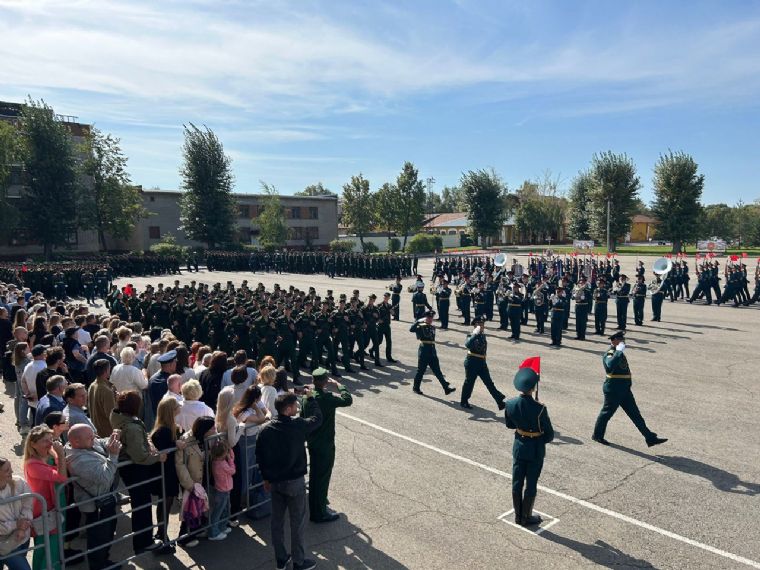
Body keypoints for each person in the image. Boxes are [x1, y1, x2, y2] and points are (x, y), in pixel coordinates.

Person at [256, 392, 323, 570]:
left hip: (275, 482)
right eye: (294, 406)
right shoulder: (298, 425)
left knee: (277, 522)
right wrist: (311, 399)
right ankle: (299, 561)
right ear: (287, 409)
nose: (296, 408)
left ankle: (281, 558)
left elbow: (259, 456)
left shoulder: (265, 429)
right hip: (294, 482)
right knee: (297, 522)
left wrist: (265, 477)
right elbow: (317, 419)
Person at [110, 391, 166, 555]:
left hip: (129, 468)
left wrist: (148, 442)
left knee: (140, 503)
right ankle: (144, 542)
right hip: (135, 469)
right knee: (142, 505)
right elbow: (140, 456)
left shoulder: (119, 417)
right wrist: (157, 457)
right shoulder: (132, 427)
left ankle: (143, 540)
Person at [592, 332, 668, 447]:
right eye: (620, 340)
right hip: (614, 389)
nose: (623, 342)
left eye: (623, 339)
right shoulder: (610, 353)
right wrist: (618, 351)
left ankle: (649, 437)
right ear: (613, 341)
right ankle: (597, 435)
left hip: (624, 389)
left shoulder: (619, 353)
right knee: (606, 413)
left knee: (635, 414)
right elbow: (610, 366)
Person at [504, 357, 553, 527]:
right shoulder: (540, 408)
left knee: (517, 481)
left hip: (519, 446)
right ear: (533, 388)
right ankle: (527, 516)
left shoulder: (509, 404)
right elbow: (550, 435)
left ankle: (518, 516)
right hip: (535, 449)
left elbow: (510, 425)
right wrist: (538, 440)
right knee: (531, 483)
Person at [65, 424, 121, 570]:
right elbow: (106, 477)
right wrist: (113, 455)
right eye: (90, 437)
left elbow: (100, 442)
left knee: (108, 533)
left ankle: (104, 560)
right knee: (98, 538)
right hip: (95, 506)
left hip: (105, 500)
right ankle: (98, 566)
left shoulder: (86, 443)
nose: (94, 438)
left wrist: (112, 438)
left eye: (93, 435)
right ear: (76, 441)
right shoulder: (77, 459)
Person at [305, 369, 352, 523]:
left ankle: (316, 503)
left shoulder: (307, 398)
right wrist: (340, 385)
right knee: (323, 477)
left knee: (314, 477)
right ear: (325, 381)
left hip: (313, 442)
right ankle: (319, 513)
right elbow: (347, 400)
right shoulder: (327, 398)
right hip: (325, 444)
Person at [22, 426, 70, 570]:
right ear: (33, 444)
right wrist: (60, 455)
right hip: (43, 512)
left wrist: (56, 455)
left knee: (54, 547)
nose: (50, 444)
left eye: (51, 439)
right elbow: (62, 478)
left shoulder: (47, 457)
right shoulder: (32, 464)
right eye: (45, 441)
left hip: (53, 508)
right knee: (45, 548)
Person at [149, 398, 185, 552]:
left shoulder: (168, 427)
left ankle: (161, 533)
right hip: (165, 473)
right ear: (171, 410)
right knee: (165, 503)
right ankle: (162, 534)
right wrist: (176, 444)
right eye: (177, 406)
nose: (179, 407)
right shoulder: (164, 431)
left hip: (168, 472)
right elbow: (164, 451)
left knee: (165, 503)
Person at [175, 416, 216, 548]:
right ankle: (184, 538)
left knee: (199, 506)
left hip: (203, 477)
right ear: (204, 430)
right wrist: (189, 484)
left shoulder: (209, 438)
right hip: (192, 481)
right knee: (190, 509)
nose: (215, 430)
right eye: (212, 428)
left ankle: (196, 531)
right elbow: (180, 464)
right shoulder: (185, 440)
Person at [460, 317, 505, 411]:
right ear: (475, 326)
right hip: (472, 362)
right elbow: (467, 345)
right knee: (469, 383)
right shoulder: (471, 335)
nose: (482, 326)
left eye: (482, 324)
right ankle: (464, 401)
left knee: (489, 383)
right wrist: (475, 334)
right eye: (479, 324)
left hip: (481, 363)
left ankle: (499, 401)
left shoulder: (483, 335)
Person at [409, 311, 456, 397]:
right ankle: (416, 387)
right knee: (421, 371)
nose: (430, 319)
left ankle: (446, 388)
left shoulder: (432, 327)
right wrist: (418, 321)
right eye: (429, 318)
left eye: (431, 318)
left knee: (437, 371)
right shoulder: (420, 326)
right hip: (424, 351)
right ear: (425, 318)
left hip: (432, 351)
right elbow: (411, 329)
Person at [0, 456, 33, 570]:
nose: (12, 472)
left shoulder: (18, 482)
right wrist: (17, 525)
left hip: (22, 537)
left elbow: (28, 503)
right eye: (7, 470)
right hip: (4, 543)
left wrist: (22, 527)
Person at [208, 440, 235, 541]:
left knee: (225, 509)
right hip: (222, 491)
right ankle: (213, 533)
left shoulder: (215, 461)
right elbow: (233, 470)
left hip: (222, 490)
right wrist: (231, 459)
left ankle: (221, 527)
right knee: (219, 511)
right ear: (223, 453)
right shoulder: (222, 464)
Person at [87, 360, 116, 437]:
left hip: (97, 429)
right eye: (109, 368)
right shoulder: (106, 391)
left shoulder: (92, 385)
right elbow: (111, 415)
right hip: (107, 432)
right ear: (106, 370)